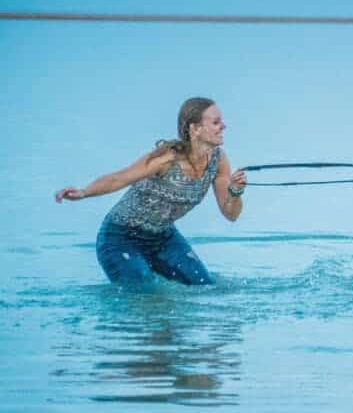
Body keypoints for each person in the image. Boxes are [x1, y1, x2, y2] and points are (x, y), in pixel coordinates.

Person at [55, 97, 247, 286]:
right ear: (195, 128)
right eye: (216, 122)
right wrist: (83, 192)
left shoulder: (218, 160)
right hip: (121, 237)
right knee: (144, 292)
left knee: (204, 286)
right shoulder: (167, 158)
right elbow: (120, 178)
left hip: (163, 238)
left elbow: (230, 213)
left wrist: (236, 192)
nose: (224, 126)